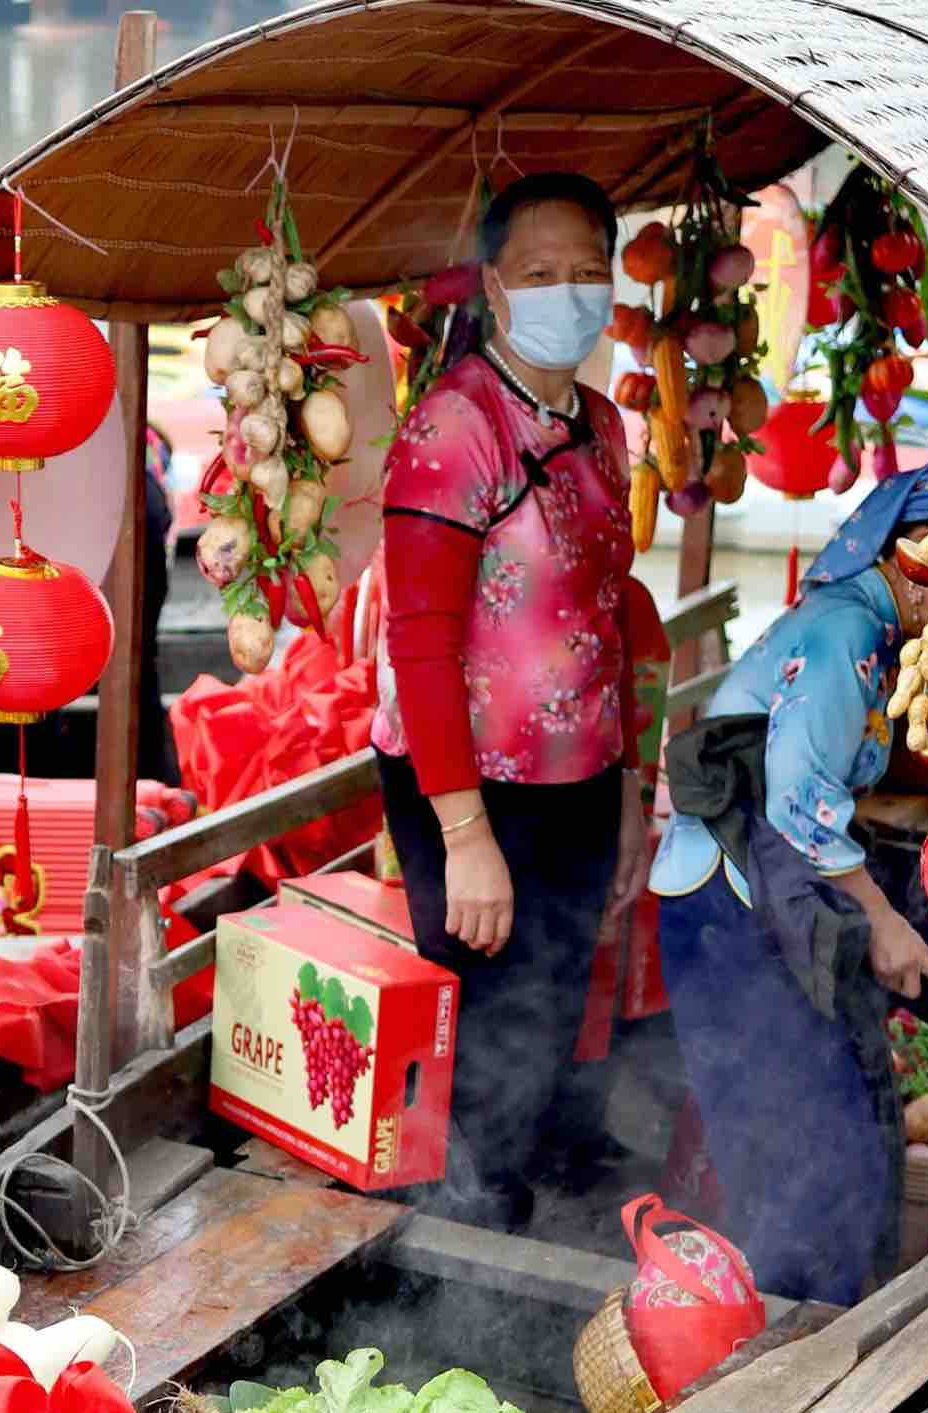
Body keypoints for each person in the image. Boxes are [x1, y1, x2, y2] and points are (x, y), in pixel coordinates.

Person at [375, 171, 672, 1229]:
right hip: (465, 782)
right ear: (494, 289)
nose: (570, 292)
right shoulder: (452, 426)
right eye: (540, 273)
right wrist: (463, 835)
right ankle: (456, 1230)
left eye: (589, 270)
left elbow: (613, 612)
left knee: (547, 1002)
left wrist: (634, 786)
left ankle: (508, 1197)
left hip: (582, 773)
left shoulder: (599, 420)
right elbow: (417, 638)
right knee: (487, 1009)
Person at [646, 466, 928, 1306]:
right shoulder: (841, 635)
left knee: (816, 1131)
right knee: (799, 1142)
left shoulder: (872, 633)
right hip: (727, 905)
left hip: (753, 897)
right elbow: (796, 800)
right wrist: (886, 918)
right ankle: (782, 1336)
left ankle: (803, 1314)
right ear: (914, 560)